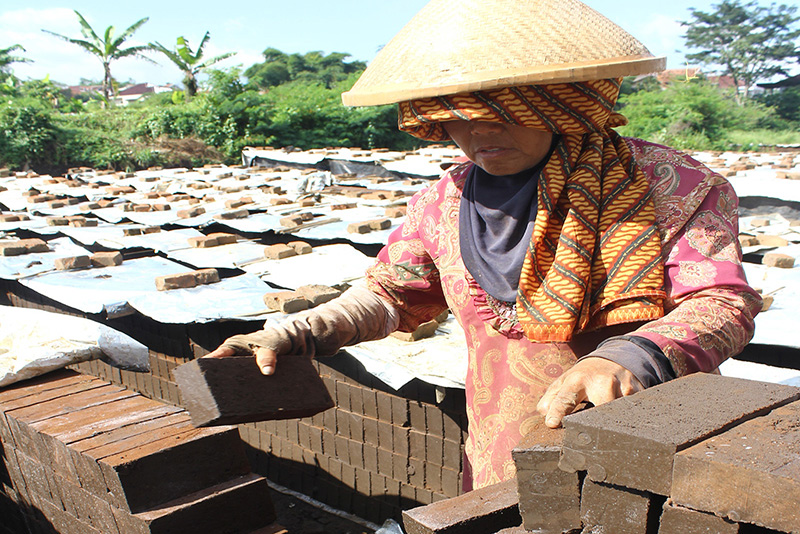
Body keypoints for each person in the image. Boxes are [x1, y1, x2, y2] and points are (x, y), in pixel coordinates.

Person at [208, 0, 762, 489]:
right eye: (458, 122)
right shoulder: (443, 200)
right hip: (502, 454)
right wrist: (296, 333)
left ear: (558, 104)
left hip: (644, 443)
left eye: (503, 116)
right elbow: (392, 295)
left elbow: (721, 304)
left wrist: (629, 357)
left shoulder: (669, 184)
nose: (479, 137)